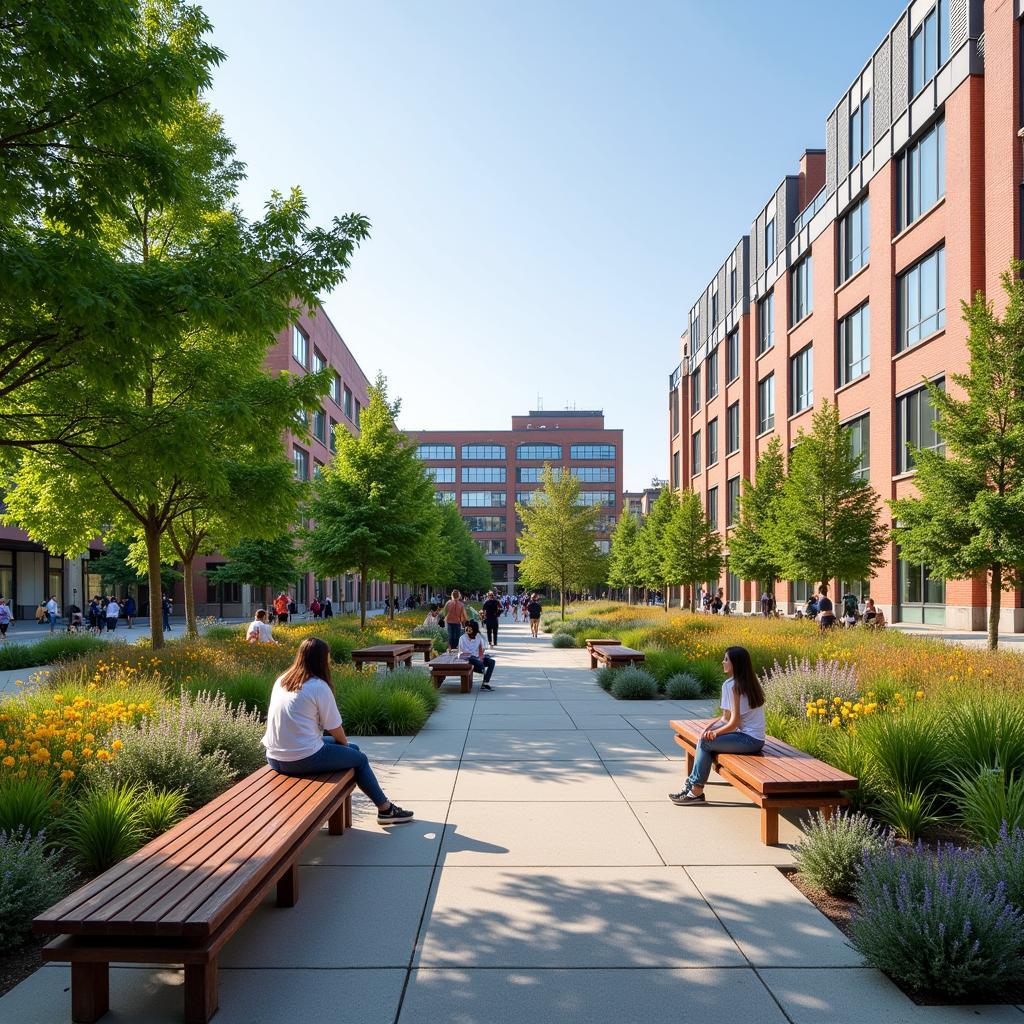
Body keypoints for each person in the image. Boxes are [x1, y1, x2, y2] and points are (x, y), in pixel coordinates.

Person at [263, 637, 413, 824]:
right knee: (359, 759)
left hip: (274, 758)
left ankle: (383, 808)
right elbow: (335, 728)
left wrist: (347, 748)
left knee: (354, 749)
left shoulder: (283, 680)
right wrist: (344, 746)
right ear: (320, 660)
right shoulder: (317, 686)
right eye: (327, 657)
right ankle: (385, 809)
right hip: (300, 759)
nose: (329, 661)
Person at [669, 646, 766, 806]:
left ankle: (696, 790)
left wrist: (715, 734)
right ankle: (693, 788)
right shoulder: (735, 683)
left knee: (705, 742)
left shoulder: (736, 686)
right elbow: (725, 717)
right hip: (749, 738)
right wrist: (709, 728)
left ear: (736, 664)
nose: (723, 661)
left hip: (750, 741)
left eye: (726, 659)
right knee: (703, 738)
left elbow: (733, 723)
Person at [458, 620, 496, 690]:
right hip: (467, 659)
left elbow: (481, 652)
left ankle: (485, 683)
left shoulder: (478, 638)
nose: (468, 630)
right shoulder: (462, 638)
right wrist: (474, 656)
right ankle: (482, 670)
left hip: (477, 659)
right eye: (468, 628)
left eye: (471, 629)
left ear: (474, 630)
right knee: (473, 659)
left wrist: (481, 658)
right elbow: (462, 652)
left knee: (492, 662)